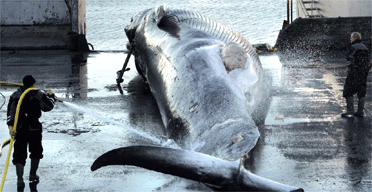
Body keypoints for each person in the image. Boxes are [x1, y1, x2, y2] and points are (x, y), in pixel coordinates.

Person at [6, 75, 56, 191]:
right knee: (36, 151)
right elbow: (48, 106)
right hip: (34, 128)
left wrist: (11, 127)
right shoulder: (38, 94)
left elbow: (10, 113)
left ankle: (20, 179)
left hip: (20, 129)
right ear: (33, 84)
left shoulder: (15, 95)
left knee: (19, 153)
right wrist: (51, 96)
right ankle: (33, 175)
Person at [342, 32, 371, 118]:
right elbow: (368, 59)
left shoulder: (352, 47)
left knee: (348, 90)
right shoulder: (365, 47)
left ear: (354, 38)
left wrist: (349, 68)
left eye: (351, 37)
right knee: (361, 91)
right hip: (363, 72)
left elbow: (350, 59)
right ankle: (360, 111)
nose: (350, 39)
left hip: (354, 72)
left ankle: (350, 110)